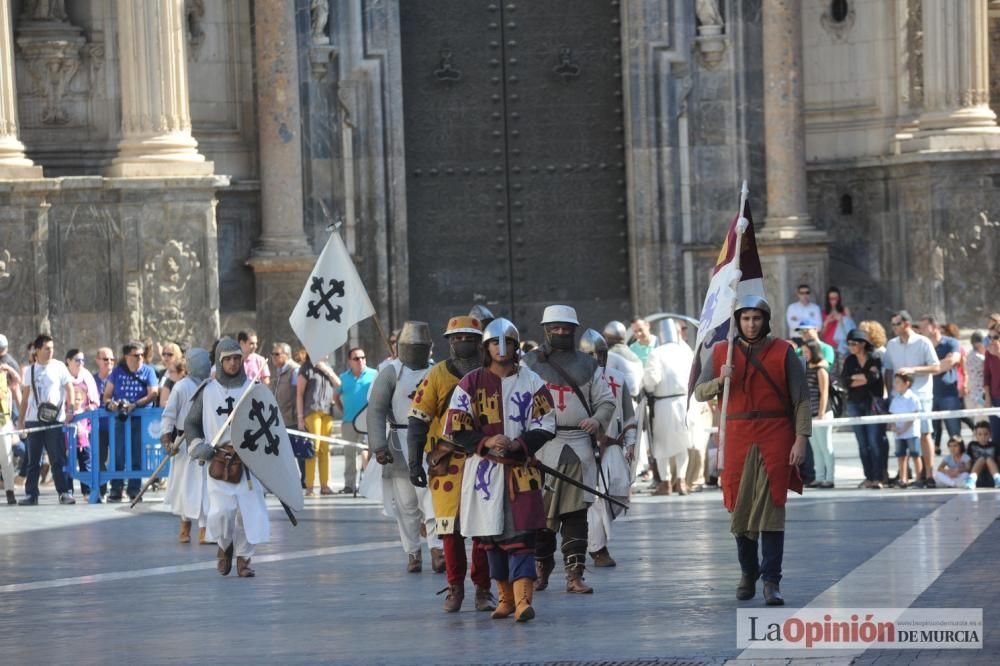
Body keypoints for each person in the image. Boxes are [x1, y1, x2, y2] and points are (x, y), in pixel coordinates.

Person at [694, 295, 809, 606]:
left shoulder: (784, 350)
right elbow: (698, 392)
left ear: (765, 320)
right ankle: (748, 573)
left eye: (756, 318)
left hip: (775, 434)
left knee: (772, 510)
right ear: (738, 321)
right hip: (737, 436)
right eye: (745, 318)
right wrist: (721, 380)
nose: (751, 324)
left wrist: (801, 438)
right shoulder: (721, 351)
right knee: (741, 508)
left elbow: (801, 399)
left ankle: (772, 580)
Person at [444, 318, 556, 622]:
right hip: (485, 473)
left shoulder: (531, 380)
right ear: (486, 347)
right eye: (495, 342)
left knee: (522, 537)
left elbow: (546, 423)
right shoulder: (470, 383)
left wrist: (519, 444)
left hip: (521, 471)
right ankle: (505, 598)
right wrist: (486, 440)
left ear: (517, 346)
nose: (501, 348)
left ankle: (523, 601)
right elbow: (455, 426)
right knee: (490, 539)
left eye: (506, 342)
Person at [523, 305, 614, 594]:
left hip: (577, 445)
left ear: (573, 330)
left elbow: (607, 401)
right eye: (556, 328)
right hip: (541, 448)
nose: (561, 333)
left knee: (575, 515)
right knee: (542, 516)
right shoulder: (527, 364)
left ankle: (574, 575)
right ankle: (541, 569)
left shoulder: (588, 365)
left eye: (566, 328)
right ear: (546, 330)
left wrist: (597, 419)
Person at [407, 315, 494, 613]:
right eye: (457, 338)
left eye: (470, 337)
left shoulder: (492, 375)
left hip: (485, 460)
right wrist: (413, 462)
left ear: (479, 341)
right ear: (449, 342)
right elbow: (417, 420)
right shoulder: (436, 376)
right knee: (449, 529)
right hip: (446, 462)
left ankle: (483, 589)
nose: (463, 342)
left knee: (484, 528)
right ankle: (455, 588)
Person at [184, 337, 269, 578]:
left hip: (249, 463)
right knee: (221, 513)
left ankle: (244, 558)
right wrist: (196, 445)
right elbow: (191, 424)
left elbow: (269, 424)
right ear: (219, 362)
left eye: (236, 358)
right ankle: (224, 545)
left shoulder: (253, 389)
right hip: (219, 462)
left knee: (250, 514)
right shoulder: (207, 391)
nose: (232, 363)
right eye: (227, 359)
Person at [367, 321, 443, 574]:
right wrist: (378, 446)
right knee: (407, 505)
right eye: (412, 346)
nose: (416, 350)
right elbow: (376, 410)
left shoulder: (437, 372)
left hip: (430, 442)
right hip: (399, 443)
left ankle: (436, 548)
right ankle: (412, 552)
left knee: (433, 501)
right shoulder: (390, 373)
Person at [579, 329, 635, 568]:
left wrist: (630, 442)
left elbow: (629, 414)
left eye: (600, 354)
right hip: (583, 445)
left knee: (618, 491)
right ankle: (598, 548)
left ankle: (593, 537)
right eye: (590, 354)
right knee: (594, 499)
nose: (596, 359)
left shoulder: (617, 378)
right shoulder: (576, 378)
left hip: (612, 445)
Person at [882, 311, 940, 487]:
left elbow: (936, 367)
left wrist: (914, 370)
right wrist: (889, 392)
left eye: (896, 324)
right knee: (901, 435)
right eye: (892, 325)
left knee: (924, 434)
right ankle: (905, 476)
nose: (894, 328)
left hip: (921, 394)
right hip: (899, 396)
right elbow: (889, 370)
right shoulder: (891, 345)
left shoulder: (923, 342)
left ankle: (929, 475)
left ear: (906, 324)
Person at [17, 334, 76, 505]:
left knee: (57, 458)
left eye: (52, 348)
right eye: (47, 348)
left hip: (55, 420)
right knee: (32, 460)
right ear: (37, 350)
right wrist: (21, 421)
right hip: (34, 420)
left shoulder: (59, 367)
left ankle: (64, 492)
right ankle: (31, 494)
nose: (51, 351)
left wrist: (70, 409)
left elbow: (70, 389)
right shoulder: (30, 370)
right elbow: (25, 397)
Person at [162, 349, 212, 544]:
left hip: (205, 441)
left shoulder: (211, 385)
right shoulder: (181, 387)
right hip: (184, 442)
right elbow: (170, 413)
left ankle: (204, 529)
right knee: (185, 487)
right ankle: (185, 527)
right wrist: (167, 437)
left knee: (204, 487)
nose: (207, 364)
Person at [642, 320, 697, 495]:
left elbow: (652, 379)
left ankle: (666, 483)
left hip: (664, 404)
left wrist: (647, 388)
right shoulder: (686, 351)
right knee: (683, 443)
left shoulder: (656, 353)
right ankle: (681, 480)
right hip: (686, 402)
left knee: (661, 445)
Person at [101, 341, 159, 502]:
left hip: (141, 419)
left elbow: (153, 393)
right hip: (121, 418)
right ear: (127, 356)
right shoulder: (117, 372)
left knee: (137, 454)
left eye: (141, 354)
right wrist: (111, 404)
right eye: (136, 355)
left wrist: (135, 405)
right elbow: (106, 395)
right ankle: (116, 489)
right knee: (118, 454)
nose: (140, 357)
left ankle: (134, 489)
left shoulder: (149, 371)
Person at [840, 328, 884, 489]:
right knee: (862, 443)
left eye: (854, 343)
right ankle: (868, 477)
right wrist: (862, 378)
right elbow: (844, 382)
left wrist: (856, 379)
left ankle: (878, 477)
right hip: (854, 403)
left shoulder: (874, 357)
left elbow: (874, 378)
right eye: (848, 344)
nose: (850, 346)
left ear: (863, 344)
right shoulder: (849, 360)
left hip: (871, 404)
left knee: (874, 442)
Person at [296, 352, 340, 496]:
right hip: (312, 411)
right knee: (313, 447)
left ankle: (325, 486)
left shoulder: (327, 368)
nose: (327, 353)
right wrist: (300, 417)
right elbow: (299, 394)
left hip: (327, 411)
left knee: (325, 450)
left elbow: (338, 383)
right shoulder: (306, 368)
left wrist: (325, 369)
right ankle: (310, 487)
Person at [918, 316, 962, 456]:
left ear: (935, 327)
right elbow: (918, 367)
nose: (921, 330)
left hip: (949, 394)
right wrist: (941, 364)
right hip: (928, 395)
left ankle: (960, 469)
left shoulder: (951, 342)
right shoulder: (922, 345)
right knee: (927, 437)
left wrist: (928, 368)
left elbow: (953, 360)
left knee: (955, 435)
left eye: (924, 326)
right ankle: (927, 474)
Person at [335, 347, 377, 493]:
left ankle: (371, 484)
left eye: (362, 357)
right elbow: (336, 397)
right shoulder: (343, 378)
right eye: (356, 358)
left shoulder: (374, 375)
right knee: (349, 454)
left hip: (369, 422)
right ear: (349, 361)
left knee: (369, 454)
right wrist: (344, 411)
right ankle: (349, 485)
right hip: (348, 422)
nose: (360, 361)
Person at [65, 349, 99, 498]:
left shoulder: (86, 376)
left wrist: (90, 408)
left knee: (86, 459)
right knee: (68, 460)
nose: (81, 363)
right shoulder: (63, 376)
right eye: (77, 360)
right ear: (68, 361)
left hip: (83, 427)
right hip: (66, 426)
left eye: (83, 360)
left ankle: (87, 491)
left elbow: (94, 399)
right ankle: (68, 491)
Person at [802, 340, 834, 488]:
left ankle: (830, 478)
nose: (804, 355)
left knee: (826, 447)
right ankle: (819, 477)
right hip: (810, 413)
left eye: (807, 352)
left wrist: (821, 413)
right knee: (816, 447)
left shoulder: (821, 369)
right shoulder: (807, 367)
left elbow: (824, 392)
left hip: (822, 414)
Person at [888, 372, 921, 488]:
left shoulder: (913, 398)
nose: (895, 385)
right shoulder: (895, 399)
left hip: (911, 432)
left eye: (898, 382)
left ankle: (918, 478)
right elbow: (891, 414)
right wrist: (894, 427)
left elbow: (914, 414)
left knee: (915, 454)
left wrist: (904, 428)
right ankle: (903, 478)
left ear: (907, 383)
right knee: (901, 455)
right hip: (898, 433)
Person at [602, 320, 643, 400]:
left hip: (618, 404)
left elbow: (603, 383)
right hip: (635, 403)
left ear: (607, 337)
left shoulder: (610, 355)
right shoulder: (635, 356)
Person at [0, 360, 22, 504]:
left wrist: (8, 368)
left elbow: (17, 380)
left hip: (3, 424)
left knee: (7, 460)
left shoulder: (4, 378)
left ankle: (10, 491)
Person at [964, 421, 1000, 489]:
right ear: (976, 435)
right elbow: (968, 462)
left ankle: (998, 479)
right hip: (978, 477)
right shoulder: (972, 445)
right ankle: (971, 480)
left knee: (988, 459)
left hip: (991, 476)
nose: (983, 437)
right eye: (980, 434)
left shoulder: (994, 445)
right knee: (982, 459)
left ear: (990, 435)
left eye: (986, 434)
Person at [820, 286, 854, 355]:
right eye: (831, 299)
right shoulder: (824, 313)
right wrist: (826, 322)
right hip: (828, 346)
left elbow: (851, 331)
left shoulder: (845, 311)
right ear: (828, 299)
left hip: (842, 346)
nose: (834, 301)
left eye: (836, 298)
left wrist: (841, 320)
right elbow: (821, 335)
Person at [965, 330, 988, 410]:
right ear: (978, 344)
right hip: (982, 396)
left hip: (975, 396)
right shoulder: (978, 358)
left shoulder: (970, 354)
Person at [986, 330, 1000, 444]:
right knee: (996, 435)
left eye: (995, 336)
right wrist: (987, 397)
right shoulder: (988, 352)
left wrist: (998, 355)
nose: (992, 340)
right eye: (989, 337)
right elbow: (986, 376)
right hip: (995, 398)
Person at [157, 342, 182, 407]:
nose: (166, 357)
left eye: (170, 354)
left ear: (177, 355)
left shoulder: (181, 373)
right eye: (164, 354)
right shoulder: (162, 373)